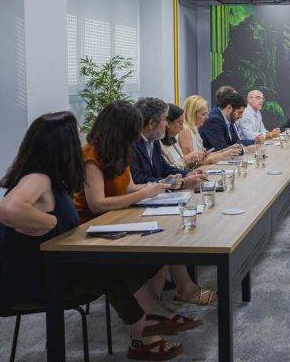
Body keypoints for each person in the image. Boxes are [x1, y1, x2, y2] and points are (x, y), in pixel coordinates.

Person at [0, 112, 186, 360]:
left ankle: (147, 330)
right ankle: (149, 326)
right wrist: (50, 221)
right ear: (63, 145)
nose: (80, 140)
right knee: (114, 267)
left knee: (122, 265)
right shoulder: (38, 178)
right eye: (76, 135)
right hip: (37, 281)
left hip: (56, 267)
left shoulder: (53, 178)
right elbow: (6, 209)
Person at [76, 101, 216, 307]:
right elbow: (97, 204)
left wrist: (162, 185)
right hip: (95, 224)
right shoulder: (91, 154)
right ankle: (153, 311)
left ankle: (157, 307)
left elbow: (131, 187)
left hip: (118, 215)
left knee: (167, 238)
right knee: (161, 243)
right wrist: (146, 192)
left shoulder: (119, 149)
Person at [131, 97, 205, 187]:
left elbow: (164, 168)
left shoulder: (154, 141)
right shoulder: (131, 145)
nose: (167, 124)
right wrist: (181, 182)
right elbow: (138, 180)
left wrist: (187, 174)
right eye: (165, 119)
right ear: (151, 123)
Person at [179, 95, 243, 164]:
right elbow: (192, 163)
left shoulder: (194, 129)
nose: (207, 117)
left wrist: (227, 150)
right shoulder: (186, 130)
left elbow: (204, 156)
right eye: (203, 114)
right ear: (192, 114)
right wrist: (223, 155)